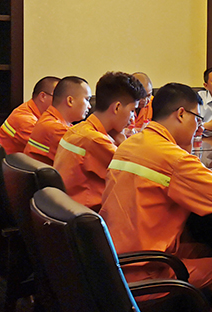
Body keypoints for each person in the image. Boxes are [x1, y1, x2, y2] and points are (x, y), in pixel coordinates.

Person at [100, 83, 212, 312]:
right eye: (197, 119)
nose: (199, 127)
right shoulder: (171, 157)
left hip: (113, 258)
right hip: (144, 272)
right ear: (181, 114)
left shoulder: (130, 144)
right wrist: (186, 152)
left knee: (205, 250)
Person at [53, 72, 147, 211]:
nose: (133, 118)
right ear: (117, 107)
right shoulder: (95, 140)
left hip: (68, 208)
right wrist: (123, 143)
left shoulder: (79, 129)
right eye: (132, 110)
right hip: (88, 214)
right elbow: (137, 173)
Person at [24, 76, 90, 165]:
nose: (89, 106)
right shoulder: (57, 130)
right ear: (70, 101)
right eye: (87, 99)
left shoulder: (49, 119)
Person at [0, 76, 59, 154]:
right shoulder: (26, 120)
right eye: (57, 97)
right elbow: (54, 150)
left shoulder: (32, 110)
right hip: (14, 161)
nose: (61, 102)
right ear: (42, 96)